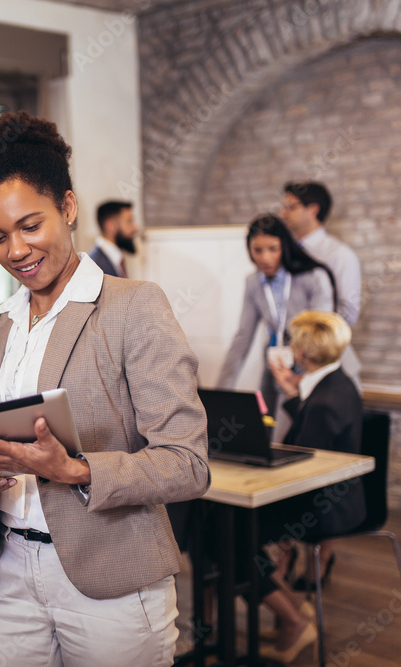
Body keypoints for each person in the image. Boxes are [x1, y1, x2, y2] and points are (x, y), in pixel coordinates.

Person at [0, 110, 210, 667]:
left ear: (67, 208)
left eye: (30, 226)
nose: (15, 250)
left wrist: (75, 469)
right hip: (8, 574)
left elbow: (188, 463)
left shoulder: (133, 306)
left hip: (113, 579)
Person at [254, 311, 365, 663]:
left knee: (227, 537)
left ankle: (294, 618)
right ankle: (292, 605)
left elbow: (300, 466)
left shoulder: (324, 403)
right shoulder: (337, 384)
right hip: (339, 499)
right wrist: (292, 391)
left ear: (301, 354)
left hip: (320, 507)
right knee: (228, 532)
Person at [216, 215, 336, 427]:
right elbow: (243, 337)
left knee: (300, 429)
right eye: (257, 250)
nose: (265, 258)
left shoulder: (313, 277)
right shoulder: (254, 283)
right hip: (275, 361)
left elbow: (321, 333)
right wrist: (220, 393)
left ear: (285, 247)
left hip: (313, 361)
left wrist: (303, 367)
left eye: (273, 248)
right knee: (265, 424)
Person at [280, 182, 361, 326]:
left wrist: (313, 333)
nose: (283, 213)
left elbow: (348, 313)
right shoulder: (283, 251)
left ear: (313, 210)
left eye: (290, 207)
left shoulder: (339, 254)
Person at [88, 200, 137, 277]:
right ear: (110, 225)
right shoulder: (95, 265)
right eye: (129, 221)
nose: (135, 228)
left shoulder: (116, 259)